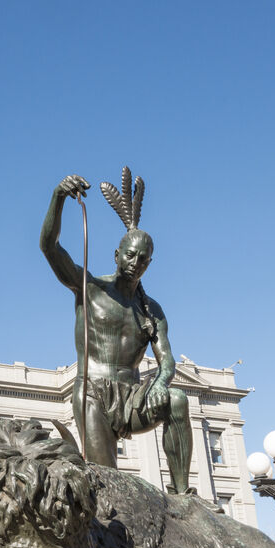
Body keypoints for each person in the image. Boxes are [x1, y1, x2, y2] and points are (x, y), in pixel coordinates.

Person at [40, 172, 194, 494]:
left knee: (177, 400)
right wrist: (58, 197)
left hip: (131, 397)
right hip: (93, 391)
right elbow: (49, 246)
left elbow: (167, 361)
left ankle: (182, 494)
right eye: (130, 255)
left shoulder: (151, 310)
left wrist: (160, 384)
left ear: (149, 263)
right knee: (108, 483)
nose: (135, 262)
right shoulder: (90, 288)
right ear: (116, 255)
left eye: (142, 258)